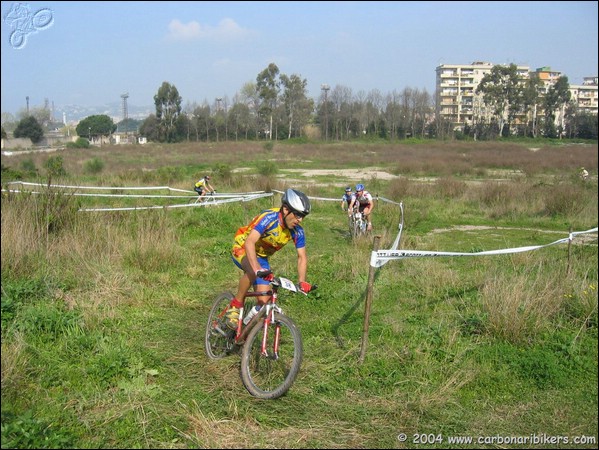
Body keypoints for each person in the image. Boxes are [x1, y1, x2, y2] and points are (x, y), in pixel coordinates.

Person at [225, 188, 314, 329]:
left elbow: (302, 256)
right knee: (252, 271)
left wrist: (302, 281)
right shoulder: (269, 218)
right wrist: (256, 268)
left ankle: (244, 333)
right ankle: (236, 305)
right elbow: (250, 242)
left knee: (263, 301)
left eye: (303, 216)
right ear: (285, 210)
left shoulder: (297, 231)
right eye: (297, 215)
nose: (300, 220)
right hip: (243, 246)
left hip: (261, 256)